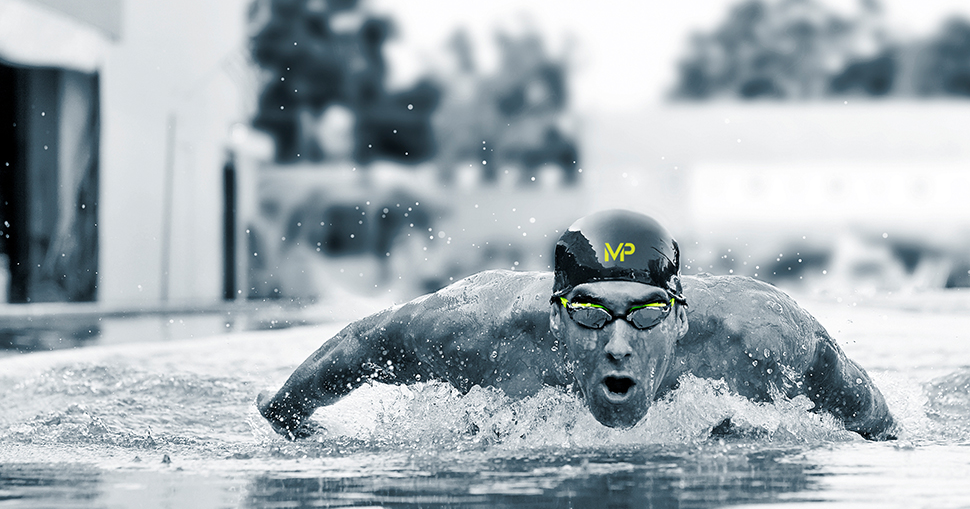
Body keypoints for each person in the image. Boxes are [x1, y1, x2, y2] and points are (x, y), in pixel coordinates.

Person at [258, 210, 897, 440]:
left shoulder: (752, 338)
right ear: (555, 311)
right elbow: (367, 341)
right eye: (592, 313)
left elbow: (867, 412)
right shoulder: (484, 332)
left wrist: (885, 437)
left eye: (644, 314)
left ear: (679, 312)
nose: (618, 344)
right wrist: (289, 413)